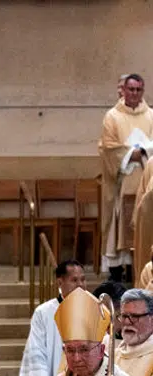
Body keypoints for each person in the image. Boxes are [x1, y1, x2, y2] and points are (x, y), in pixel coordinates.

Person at [100, 74, 153, 281]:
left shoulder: (150, 115)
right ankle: (118, 273)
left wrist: (145, 153)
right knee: (120, 226)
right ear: (124, 90)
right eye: (131, 89)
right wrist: (131, 154)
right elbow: (108, 148)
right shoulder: (112, 116)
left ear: (143, 91)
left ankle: (141, 270)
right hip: (123, 182)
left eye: (138, 90)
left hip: (147, 180)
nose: (134, 93)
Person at [19, 260, 85, 376]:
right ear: (60, 282)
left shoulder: (93, 309)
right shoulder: (44, 312)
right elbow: (36, 348)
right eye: (74, 280)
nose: (80, 285)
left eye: (83, 280)